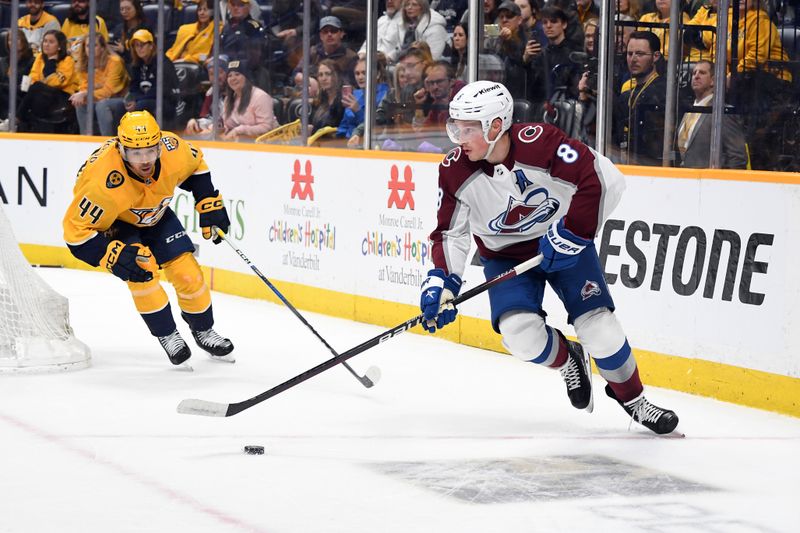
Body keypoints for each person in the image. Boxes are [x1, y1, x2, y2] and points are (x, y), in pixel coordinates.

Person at [421, 80, 680, 435]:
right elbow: (451, 232)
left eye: (468, 129)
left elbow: (604, 180)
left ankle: (635, 401)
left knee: (600, 330)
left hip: (563, 245)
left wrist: (573, 233)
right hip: (506, 258)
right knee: (519, 335)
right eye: (455, 128)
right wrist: (443, 281)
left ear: (496, 126)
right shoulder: (454, 169)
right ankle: (569, 360)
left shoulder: (542, 144)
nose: (458, 138)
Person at [62, 110, 234, 367]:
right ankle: (168, 335)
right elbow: (75, 232)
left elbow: (196, 165)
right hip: (117, 223)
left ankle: (204, 330)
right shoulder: (101, 182)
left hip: (157, 215)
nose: (144, 161)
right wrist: (110, 255)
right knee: (141, 272)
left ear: (159, 146)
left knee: (188, 273)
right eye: (135, 154)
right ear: (121, 150)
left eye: (150, 152)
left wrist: (207, 200)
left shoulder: (172, 146)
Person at [676, 60, 748, 168]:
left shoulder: (723, 112)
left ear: (713, 80)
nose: (696, 76)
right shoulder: (688, 110)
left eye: (702, 73)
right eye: (694, 73)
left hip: (709, 181)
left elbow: (737, 157)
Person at [613, 30, 666, 165]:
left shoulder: (663, 91)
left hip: (652, 164)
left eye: (640, 54)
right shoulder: (626, 95)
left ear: (656, 56)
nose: (633, 59)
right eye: (630, 54)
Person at [17, 29, 79, 133]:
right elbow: (33, 76)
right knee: (16, 89)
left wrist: (51, 61)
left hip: (63, 96)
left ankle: (16, 119)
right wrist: (39, 83)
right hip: (42, 93)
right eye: (45, 41)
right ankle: (17, 122)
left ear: (59, 46)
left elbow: (57, 83)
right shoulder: (40, 57)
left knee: (36, 87)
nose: (46, 44)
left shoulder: (68, 60)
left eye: (51, 42)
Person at [70, 33, 129, 136]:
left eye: (95, 45)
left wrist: (87, 93)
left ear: (102, 48)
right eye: (88, 46)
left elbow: (109, 91)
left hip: (120, 99)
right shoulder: (83, 64)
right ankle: (86, 139)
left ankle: (106, 141)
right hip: (98, 98)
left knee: (102, 105)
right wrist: (85, 94)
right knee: (80, 103)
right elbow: (84, 88)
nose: (90, 49)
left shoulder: (115, 62)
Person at [125, 29, 181, 129]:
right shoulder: (137, 64)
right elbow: (133, 87)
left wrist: (138, 101)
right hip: (142, 100)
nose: (139, 48)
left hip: (166, 102)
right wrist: (134, 99)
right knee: (115, 106)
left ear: (151, 46)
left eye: (142, 45)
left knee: (141, 106)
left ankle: (141, 137)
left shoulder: (163, 63)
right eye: (136, 45)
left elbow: (161, 89)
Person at [221, 59, 279, 140]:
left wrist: (240, 130)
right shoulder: (228, 99)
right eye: (229, 76)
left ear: (247, 77)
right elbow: (227, 125)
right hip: (240, 141)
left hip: (267, 142)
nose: (233, 78)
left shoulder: (261, 97)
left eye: (237, 74)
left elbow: (266, 127)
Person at [338, 55, 390, 144]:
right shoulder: (355, 94)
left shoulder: (386, 95)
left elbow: (376, 127)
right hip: (348, 142)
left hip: (371, 144)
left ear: (377, 74)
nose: (360, 77)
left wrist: (358, 111)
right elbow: (344, 125)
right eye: (357, 73)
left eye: (364, 73)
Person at [308, 16, 358, 86]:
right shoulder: (313, 52)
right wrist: (308, 80)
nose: (329, 34)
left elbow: (352, 84)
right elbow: (296, 74)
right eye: (325, 31)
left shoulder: (351, 57)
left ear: (341, 34)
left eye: (333, 31)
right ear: (321, 36)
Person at [167, 0, 218, 65]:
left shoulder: (217, 29)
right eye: (199, 10)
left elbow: (205, 56)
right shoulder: (185, 29)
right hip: (176, 62)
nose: (202, 13)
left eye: (205, 10)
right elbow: (173, 51)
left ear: (213, 12)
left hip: (198, 65)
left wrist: (186, 59)